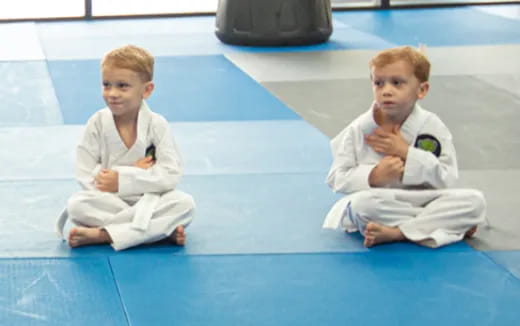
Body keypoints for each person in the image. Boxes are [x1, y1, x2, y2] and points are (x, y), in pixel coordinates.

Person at [323, 46, 486, 248]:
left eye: (397, 83)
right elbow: (336, 177)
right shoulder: (360, 129)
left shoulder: (432, 126)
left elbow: (448, 178)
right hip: (383, 201)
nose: (386, 91)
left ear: (422, 90)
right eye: (378, 83)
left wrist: (407, 153)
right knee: (360, 207)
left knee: (474, 201)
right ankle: (446, 226)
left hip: (427, 198)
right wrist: (373, 176)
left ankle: (398, 233)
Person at [56, 45, 195, 251]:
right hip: (107, 200)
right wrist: (115, 180)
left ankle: (103, 234)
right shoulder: (97, 122)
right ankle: (158, 231)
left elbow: (170, 175)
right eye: (106, 85)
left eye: (123, 86)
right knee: (76, 206)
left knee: (184, 204)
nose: (112, 93)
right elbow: (84, 171)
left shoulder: (157, 125)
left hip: (149, 198)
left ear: (146, 90)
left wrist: (124, 178)